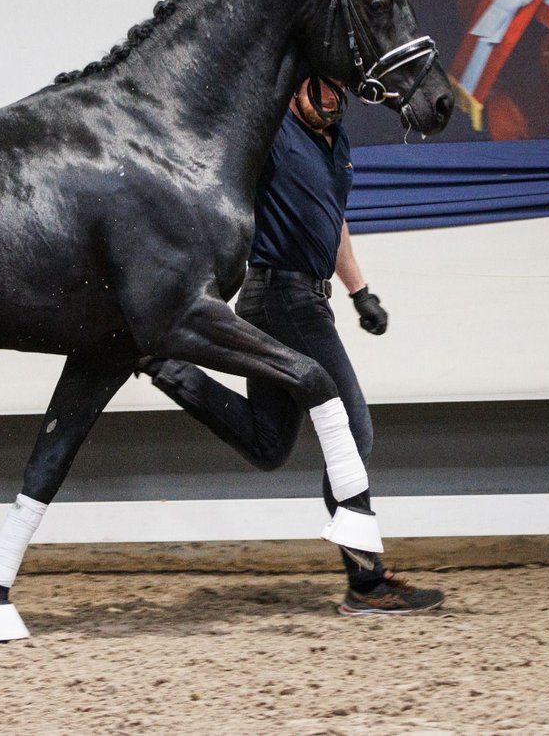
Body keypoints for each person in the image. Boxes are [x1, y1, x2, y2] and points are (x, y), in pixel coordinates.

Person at [144, 76, 445, 615]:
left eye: (338, 96)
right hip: (282, 295)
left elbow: (332, 220)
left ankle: (168, 367)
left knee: (267, 443)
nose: (332, 104)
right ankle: (366, 582)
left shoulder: (338, 138)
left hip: (304, 298)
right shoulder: (273, 129)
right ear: (297, 87)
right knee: (351, 428)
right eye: (322, 93)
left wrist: (361, 291)